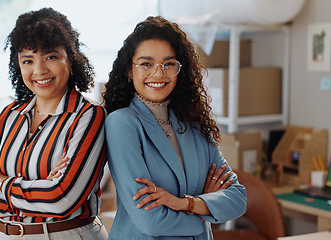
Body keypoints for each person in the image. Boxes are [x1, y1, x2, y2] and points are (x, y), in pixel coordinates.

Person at [0, 8, 107, 240]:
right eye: (28, 60)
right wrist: (41, 190)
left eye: (50, 57)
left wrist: (0, 182)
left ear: (70, 59)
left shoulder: (88, 116)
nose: (39, 70)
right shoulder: (9, 115)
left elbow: (62, 199)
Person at [102, 16, 247, 240]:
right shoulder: (122, 123)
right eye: (146, 64)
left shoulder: (194, 122)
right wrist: (204, 209)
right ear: (129, 71)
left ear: (180, 69)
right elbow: (150, 221)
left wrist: (184, 203)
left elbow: (238, 199)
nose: (158, 74)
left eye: (169, 64)